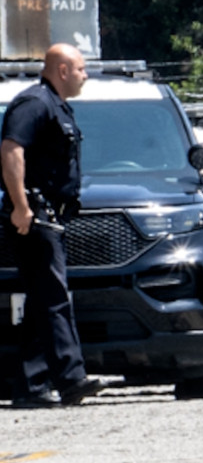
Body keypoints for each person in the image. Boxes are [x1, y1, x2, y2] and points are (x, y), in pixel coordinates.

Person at [1, 43, 105, 408]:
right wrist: (21, 206)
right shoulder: (35, 104)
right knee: (56, 298)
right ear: (62, 70)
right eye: (80, 69)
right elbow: (11, 149)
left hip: (50, 216)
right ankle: (72, 379)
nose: (85, 75)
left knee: (42, 301)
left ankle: (31, 386)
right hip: (35, 215)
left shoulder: (55, 106)